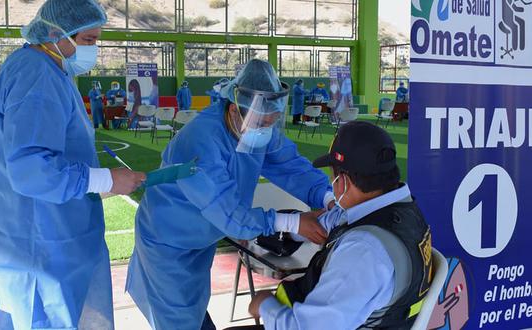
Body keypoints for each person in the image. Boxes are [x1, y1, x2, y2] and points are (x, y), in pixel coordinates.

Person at [126, 59, 335, 330]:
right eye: (261, 122)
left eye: (271, 123)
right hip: (169, 240)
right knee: (176, 317)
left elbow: (291, 167)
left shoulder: (257, 127)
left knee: (192, 310)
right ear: (235, 109)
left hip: (202, 238)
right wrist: (293, 222)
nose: (265, 130)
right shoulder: (200, 140)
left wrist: (328, 197)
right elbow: (228, 213)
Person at [0, 1, 146, 329]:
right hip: (37, 238)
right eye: (87, 40)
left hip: (42, 227)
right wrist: (104, 180)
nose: (93, 49)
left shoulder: (52, 69)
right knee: (41, 317)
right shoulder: (36, 73)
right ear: (55, 34)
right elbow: (31, 169)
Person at [235, 121, 433, 330]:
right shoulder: (400, 210)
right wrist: (292, 227)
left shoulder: (363, 252)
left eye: (333, 175)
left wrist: (265, 305)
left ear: (343, 181)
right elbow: (327, 222)